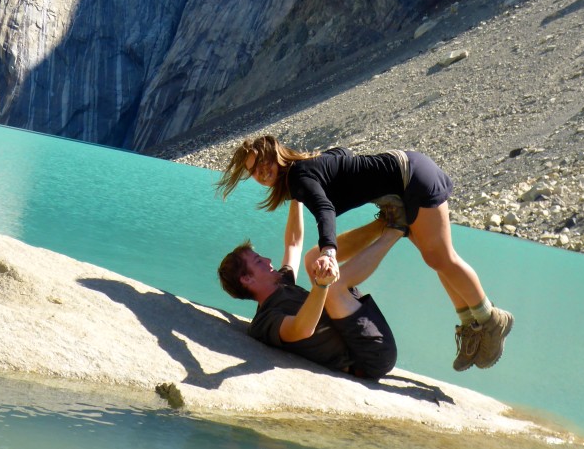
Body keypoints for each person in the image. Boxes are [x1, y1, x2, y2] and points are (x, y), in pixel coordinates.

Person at [217, 136, 513, 372]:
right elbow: (342, 155)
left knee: (441, 257)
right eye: (254, 170)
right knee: (434, 258)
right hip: (405, 175)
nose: (261, 172)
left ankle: (490, 319)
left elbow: (324, 210)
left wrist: (330, 251)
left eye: (264, 162)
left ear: (278, 153)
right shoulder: (300, 177)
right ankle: (470, 324)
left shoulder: (299, 178)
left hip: (410, 177)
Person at [218, 201, 402, 380]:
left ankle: (384, 222)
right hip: (369, 356)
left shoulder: (282, 283)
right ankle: (397, 230)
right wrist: (322, 286)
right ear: (247, 279)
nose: (267, 260)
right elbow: (301, 328)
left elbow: (293, 243)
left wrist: (296, 197)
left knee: (314, 257)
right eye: (258, 261)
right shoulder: (264, 321)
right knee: (332, 287)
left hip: (359, 329)